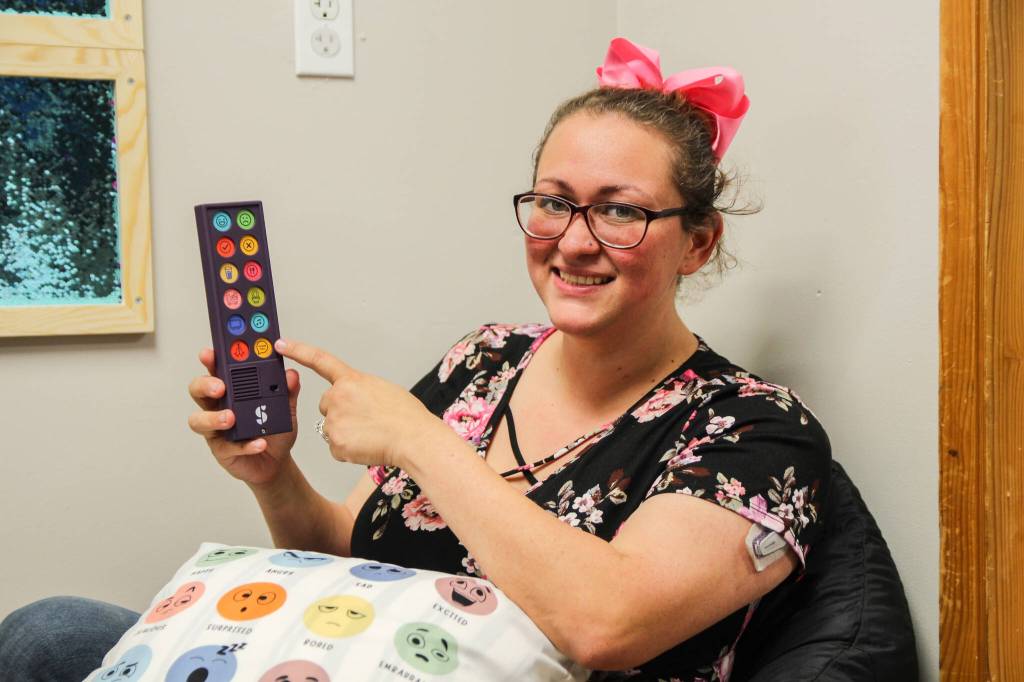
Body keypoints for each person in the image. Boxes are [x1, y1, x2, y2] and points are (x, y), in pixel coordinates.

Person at [0, 37, 831, 681]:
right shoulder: (486, 362)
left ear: (698, 241)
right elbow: (345, 559)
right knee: (47, 631)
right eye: (552, 203)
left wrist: (420, 441)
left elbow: (604, 623)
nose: (573, 243)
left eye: (620, 212)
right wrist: (273, 476)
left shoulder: (755, 429)